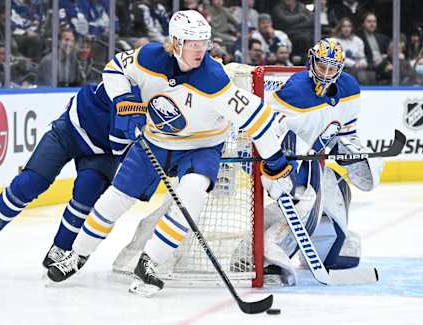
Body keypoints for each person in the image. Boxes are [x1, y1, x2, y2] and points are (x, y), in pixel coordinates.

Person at [46, 10, 296, 298]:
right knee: (116, 198)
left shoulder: (213, 79)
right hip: (156, 140)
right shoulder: (149, 58)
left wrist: (275, 165)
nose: (199, 49)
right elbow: (115, 69)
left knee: (192, 195)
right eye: (192, 43)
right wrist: (124, 99)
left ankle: (149, 263)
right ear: (175, 43)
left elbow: (259, 118)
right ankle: (77, 255)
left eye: (204, 42)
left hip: (201, 146)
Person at [255, 38, 383, 285]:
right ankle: (268, 259)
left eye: (332, 68)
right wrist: (276, 170)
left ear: (341, 68)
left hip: (314, 160)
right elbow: (271, 133)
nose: (326, 73)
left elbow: (344, 132)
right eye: (321, 66)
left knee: (339, 191)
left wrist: (352, 153)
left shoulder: (349, 88)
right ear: (311, 60)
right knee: (305, 204)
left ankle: (323, 250)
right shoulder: (294, 91)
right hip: (288, 162)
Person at [0, 83, 133, 268]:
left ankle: (61, 247)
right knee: (30, 182)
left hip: (104, 151)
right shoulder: (134, 69)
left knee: (87, 193)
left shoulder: (163, 93)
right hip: (72, 128)